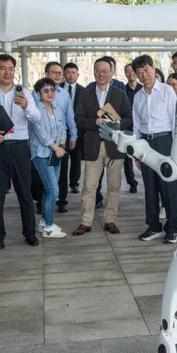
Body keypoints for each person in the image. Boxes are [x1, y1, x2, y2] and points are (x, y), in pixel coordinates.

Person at [73, 56, 133, 235]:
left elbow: (129, 118)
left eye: (105, 71)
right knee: (89, 186)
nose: (101, 74)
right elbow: (78, 119)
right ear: (93, 72)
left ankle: (110, 220)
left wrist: (117, 124)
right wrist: (95, 122)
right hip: (93, 146)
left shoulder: (119, 94)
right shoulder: (85, 95)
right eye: (98, 71)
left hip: (114, 146)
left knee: (114, 186)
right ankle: (85, 222)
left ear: (112, 72)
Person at [0, 54, 41, 249]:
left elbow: (36, 117)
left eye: (10, 69)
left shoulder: (24, 93)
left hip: (19, 148)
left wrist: (26, 106)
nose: (7, 72)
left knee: (25, 194)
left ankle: (30, 233)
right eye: (2, 68)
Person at [131, 54, 177, 243]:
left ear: (154, 69)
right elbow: (136, 126)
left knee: (168, 187)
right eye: (139, 72)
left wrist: (176, 150)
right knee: (150, 187)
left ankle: (173, 227)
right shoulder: (137, 96)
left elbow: (175, 120)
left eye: (147, 70)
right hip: (145, 144)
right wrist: (136, 152)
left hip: (165, 142)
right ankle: (154, 226)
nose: (144, 75)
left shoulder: (167, 91)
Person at [28, 77, 69, 238]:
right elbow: (41, 134)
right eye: (45, 90)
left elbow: (62, 127)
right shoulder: (36, 110)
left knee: (49, 189)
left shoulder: (57, 108)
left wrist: (62, 143)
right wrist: (55, 147)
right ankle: (50, 227)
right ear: (38, 93)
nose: (50, 93)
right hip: (42, 154)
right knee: (53, 189)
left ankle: (45, 222)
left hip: (56, 153)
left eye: (52, 90)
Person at [62, 62, 83, 199]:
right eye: (68, 72)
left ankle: (74, 182)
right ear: (64, 74)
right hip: (62, 131)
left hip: (78, 129)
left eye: (73, 72)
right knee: (63, 159)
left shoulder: (84, 90)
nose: (70, 75)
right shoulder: (57, 90)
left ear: (77, 74)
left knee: (76, 158)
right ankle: (61, 185)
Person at [123, 62, 141, 193]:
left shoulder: (143, 88)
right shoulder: (122, 90)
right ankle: (132, 182)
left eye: (132, 70)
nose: (131, 73)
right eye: (128, 71)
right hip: (127, 128)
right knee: (127, 156)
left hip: (141, 127)